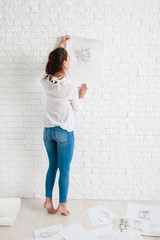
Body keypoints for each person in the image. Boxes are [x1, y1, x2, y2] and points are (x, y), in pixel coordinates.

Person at [40, 35, 87, 216]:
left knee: (52, 166)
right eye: (68, 58)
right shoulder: (69, 86)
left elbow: (51, 62)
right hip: (64, 131)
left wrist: (60, 47)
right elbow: (77, 108)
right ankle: (62, 205)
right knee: (64, 169)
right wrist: (81, 94)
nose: (70, 60)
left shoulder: (45, 81)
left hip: (48, 131)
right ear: (64, 64)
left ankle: (47, 200)